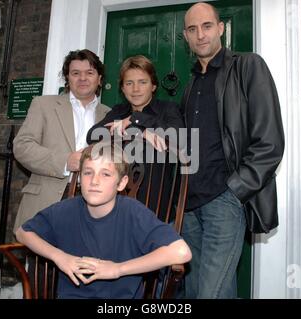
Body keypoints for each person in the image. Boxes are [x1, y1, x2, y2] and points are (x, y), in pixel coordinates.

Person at [180, 2, 284, 299]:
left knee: (209, 295)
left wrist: (235, 191)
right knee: (199, 293)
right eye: (192, 29)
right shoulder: (191, 86)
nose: (200, 35)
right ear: (186, 36)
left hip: (223, 202)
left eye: (207, 26)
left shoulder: (248, 66)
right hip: (188, 208)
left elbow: (270, 142)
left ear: (221, 28)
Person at [15, 142, 192, 299]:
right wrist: (59, 257)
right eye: (88, 173)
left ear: (122, 183)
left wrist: (117, 269)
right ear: (79, 179)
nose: (94, 181)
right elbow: (23, 232)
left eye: (106, 174)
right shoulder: (65, 210)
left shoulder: (133, 213)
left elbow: (181, 251)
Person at [13, 49, 110, 232]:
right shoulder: (43, 105)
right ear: (67, 78)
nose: (83, 78)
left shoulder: (110, 114)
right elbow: (22, 146)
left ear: (99, 79)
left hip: (94, 203)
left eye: (89, 73)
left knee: (84, 259)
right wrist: (65, 161)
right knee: (40, 261)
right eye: (75, 73)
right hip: (48, 201)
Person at [86, 55, 184, 210]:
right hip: (116, 205)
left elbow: (178, 138)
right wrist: (141, 132)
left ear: (153, 86)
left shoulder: (168, 109)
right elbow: (93, 135)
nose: (136, 89)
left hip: (156, 207)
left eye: (142, 82)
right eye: (129, 83)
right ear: (123, 88)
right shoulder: (118, 111)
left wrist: (135, 119)